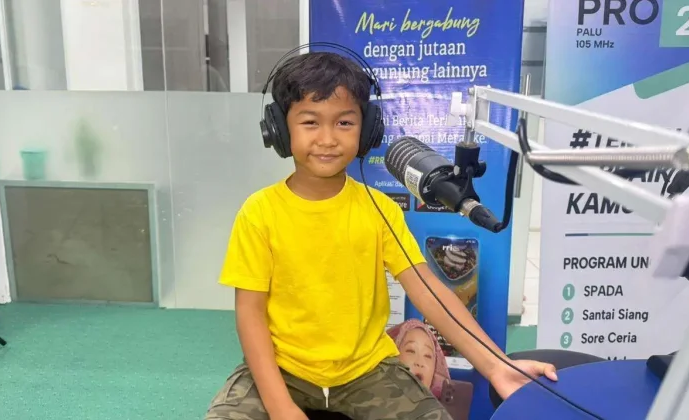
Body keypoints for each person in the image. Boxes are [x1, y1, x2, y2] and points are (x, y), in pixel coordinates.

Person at [205, 51, 557, 420]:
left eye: (344, 122)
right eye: (310, 122)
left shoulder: (380, 210)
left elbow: (429, 292)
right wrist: (281, 408)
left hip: (367, 371)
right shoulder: (259, 212)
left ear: (368, 130)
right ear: (279, 128)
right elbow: (250, 314)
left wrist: (496, 366)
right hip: (282, 368)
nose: (327, 138)